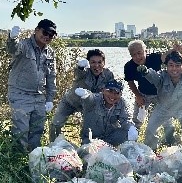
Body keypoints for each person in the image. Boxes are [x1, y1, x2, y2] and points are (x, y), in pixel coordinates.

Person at [7, 19, 57, 151]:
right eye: (44, 32)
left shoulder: (50, 52)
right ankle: (17, 161)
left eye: (51, 35)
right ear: (36, 30)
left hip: (39, 97)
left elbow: (51, 77)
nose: (47, 36)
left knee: (37, 131)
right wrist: (12, 38)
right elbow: (12, 49)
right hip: (20, 94)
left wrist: (50, 99)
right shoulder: (23, 44)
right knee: (21, 131)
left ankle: (33, 159)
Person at [137, 51, 182, 151]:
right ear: (166, 66)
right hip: (163, 108)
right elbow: (154, 77)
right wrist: (146, 72)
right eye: (171, 65)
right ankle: (150, 151)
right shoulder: (162, 75)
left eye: (177, 65)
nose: (174, 69)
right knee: (149, 130)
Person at [49, 49, 114, 141]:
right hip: (71, 101)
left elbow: (111, 92)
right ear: (88, 63)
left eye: (100, 62)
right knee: (56, 123)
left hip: (89, 105)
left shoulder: (108, 74)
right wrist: (80, 66)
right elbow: (78, 72)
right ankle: (52, 146)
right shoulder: (84, 71)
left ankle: (86, 148)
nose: (96, 65)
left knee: (90, 128)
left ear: (104, 63)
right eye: (93, 62)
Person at [124, 40, 181, 144]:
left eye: (139, 53)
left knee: (166, 118)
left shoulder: (154, 58)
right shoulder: (129, 66)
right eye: (134, 55)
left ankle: (170, 140)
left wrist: (174, 50)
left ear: (146, 51)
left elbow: (164, 57)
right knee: (137, 118)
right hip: (143, 93)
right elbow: (130, 82)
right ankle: (133, 141)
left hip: (160, 93)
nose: (137, 57)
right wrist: (137, 96)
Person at [75, 79, 138, 146]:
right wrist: (85, 95)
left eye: (117, 93)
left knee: (127, 133)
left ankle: (118, 151)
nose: (113, 95)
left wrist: (131, 128)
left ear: (120, 94)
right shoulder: (95, 99)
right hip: (91, 139)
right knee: (89, 154)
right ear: (103, 90)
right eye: (110, 91)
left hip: (110, 138)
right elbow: (89, 99)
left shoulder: (121, 103)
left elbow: (126, 119)